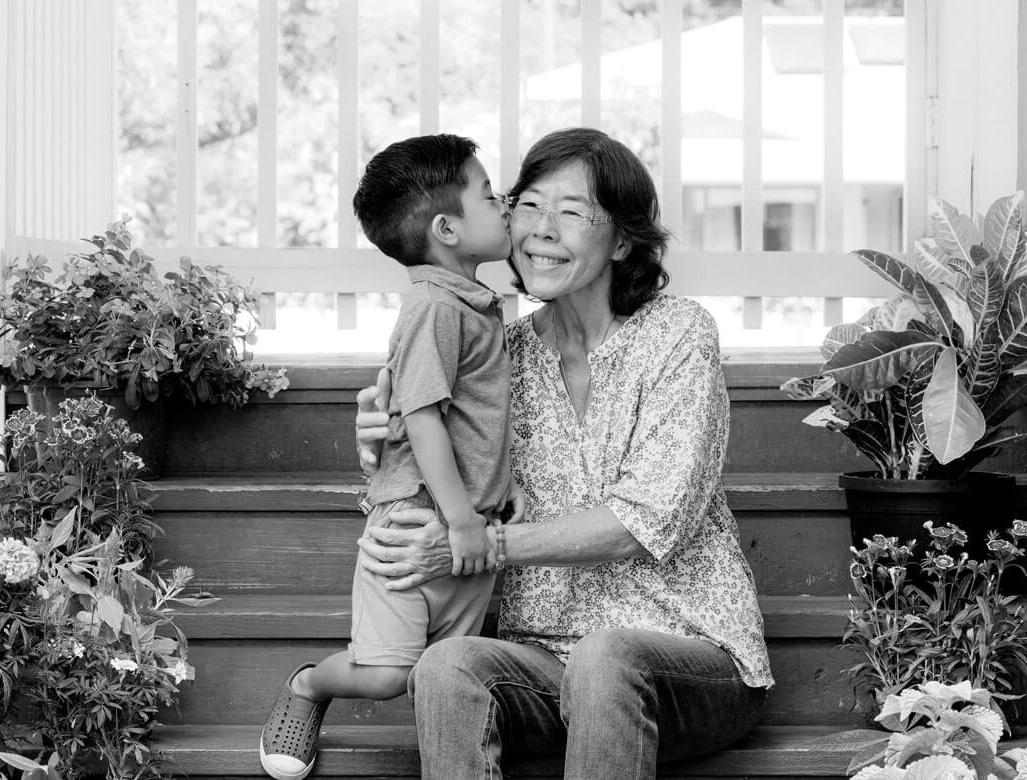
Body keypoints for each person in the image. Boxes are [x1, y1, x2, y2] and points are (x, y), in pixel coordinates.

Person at [354, 127, 774, 780]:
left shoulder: (677, 334)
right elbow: (436, 476)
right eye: (527, 205)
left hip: (693, 657)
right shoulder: (496, 356)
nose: (542, 229)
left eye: (572, 212)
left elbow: (645, 520)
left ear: (624, 239)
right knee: (447, 667)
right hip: (545, 664)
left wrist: (482, 545)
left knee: (606, 659)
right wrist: (385, 445)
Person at [259, 133, 524, 780]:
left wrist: (475, 521)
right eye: (490, 197)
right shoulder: (434, 307)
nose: (507, 208)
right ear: (447, 228)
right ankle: (309, 686)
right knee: (385, 675)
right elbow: (424, 415)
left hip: (473, 530)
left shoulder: (473, 304)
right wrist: (460, 519)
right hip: (418, 524)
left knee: (445, 672)